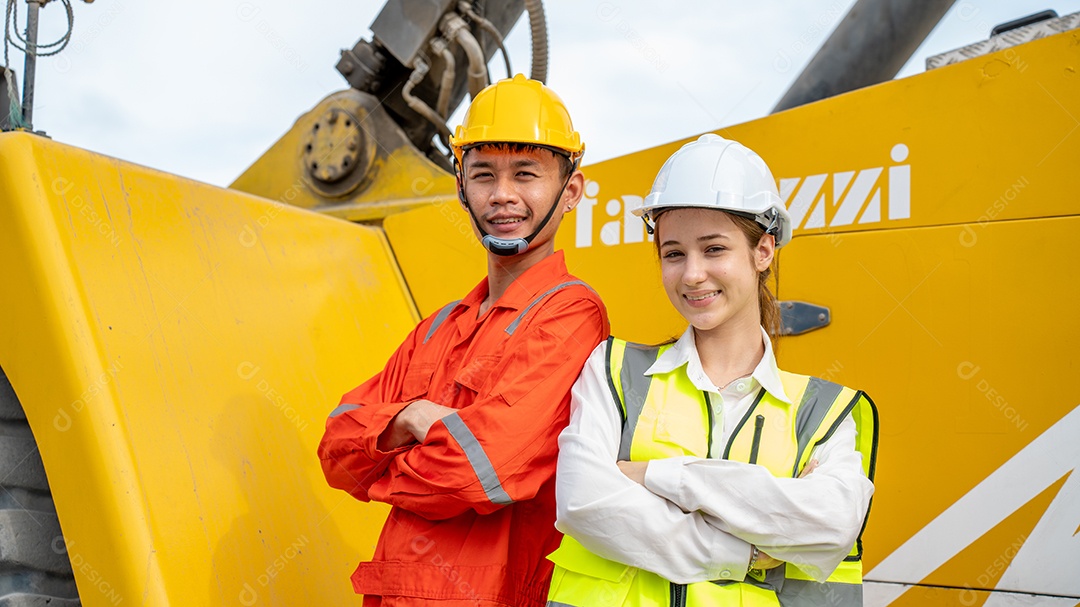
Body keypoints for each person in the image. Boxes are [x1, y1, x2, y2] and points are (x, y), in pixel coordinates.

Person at [546, 134, 878, 606]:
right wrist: (741, 550)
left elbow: (830, 525)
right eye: (674, 253)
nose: (692, 274)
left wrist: (659, 477)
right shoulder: (613, 371)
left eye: (715, 249)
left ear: (763, 251)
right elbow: (585, 503)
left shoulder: (825, 413)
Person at [318, 74, 609, 607]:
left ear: (571, 191)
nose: (502, 195)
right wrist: (408, 418)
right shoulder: (438, 327)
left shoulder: (570, 314)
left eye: (526, 174)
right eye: (483, 175)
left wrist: (382, 468)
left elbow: (484, 473)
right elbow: (336, 447)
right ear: (460, 186)